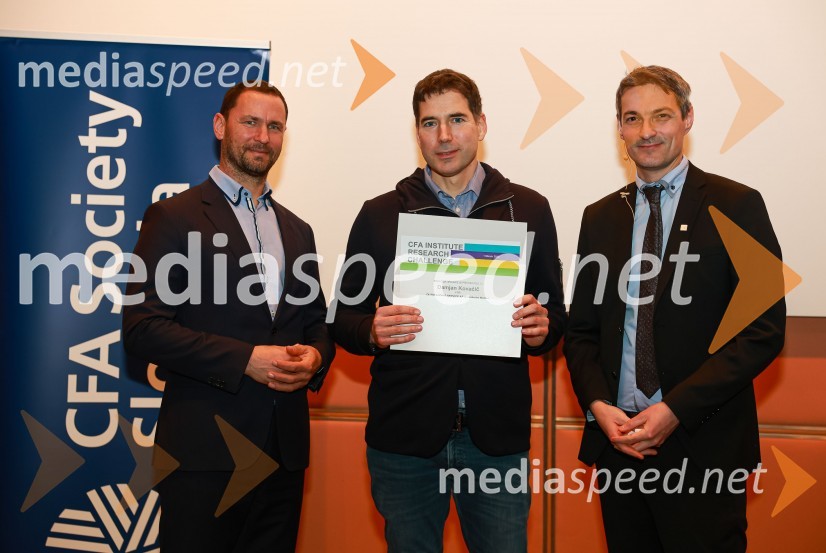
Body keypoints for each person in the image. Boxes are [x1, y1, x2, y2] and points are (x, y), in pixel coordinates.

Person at [332, 68, 566, 552]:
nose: (443, 136)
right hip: (405, 438)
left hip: (496, 437)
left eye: (456, 119)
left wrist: (542, 327)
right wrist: (372, 330)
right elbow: (342, 319)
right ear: (416, 131)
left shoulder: (527, 208)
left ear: (481, 124)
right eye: (429, 123)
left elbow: (554, 313)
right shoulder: (380, 214)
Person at [564, 65, 786, 552]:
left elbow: (763, 331)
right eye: (632, 118)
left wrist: (674, 410)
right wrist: (600, 406)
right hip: (619, 447)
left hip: (703, 447)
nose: (646, 132)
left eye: (661, 116)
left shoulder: (738, 205)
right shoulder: (598, 218)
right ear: (619, 128)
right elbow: (580, 332)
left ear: (687, 118)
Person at [122, 81, 334, 552]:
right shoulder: (173, 216)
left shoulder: (298, 230)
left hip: (283, 455)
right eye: (251, 122)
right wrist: (245, 359)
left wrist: (316, 359)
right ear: (221, 126)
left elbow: (317, 321)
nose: (263, 136)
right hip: (203, 455)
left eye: (275, 126)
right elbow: (142, 328)